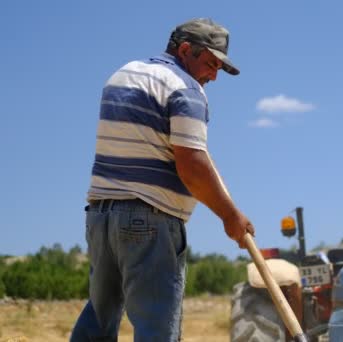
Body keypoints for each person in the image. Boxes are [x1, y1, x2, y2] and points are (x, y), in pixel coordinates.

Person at [71, 18, 255, 341]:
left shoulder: (122, 74)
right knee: (157, 330)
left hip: (100, 218)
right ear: (185, 49)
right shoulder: (185, 88)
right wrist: (230, 216)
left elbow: (175, 151)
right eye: (211, 63)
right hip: (149, 223)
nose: (213, 75)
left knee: (99, 321)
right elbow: (193, 165)